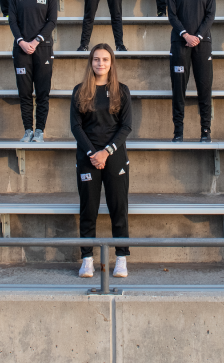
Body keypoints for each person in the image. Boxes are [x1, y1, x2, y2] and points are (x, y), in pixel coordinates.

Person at [70, 44, 133, 279]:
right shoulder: (80, 91)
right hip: (88, 158)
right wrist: (92, 153)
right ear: (91, 62)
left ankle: (121, 258)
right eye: (96, 59)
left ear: (111, 63)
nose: (100, 63)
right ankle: (87, 259)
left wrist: (106, 152)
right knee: (88, 208)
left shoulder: (122, 91)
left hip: (114, 156)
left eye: (105, 59)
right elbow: (76, 127)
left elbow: (126, 126)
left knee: (119, 207)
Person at [167, 0, 215, 142]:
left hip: (202, 45)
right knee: (179, 89)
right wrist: (186, 35)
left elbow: (210, 15)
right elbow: (172, 15)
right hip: (180, 43)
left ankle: (205, 131)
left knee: (204, 88)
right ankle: (178, 132)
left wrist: (198, 37)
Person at [9, 0, 58, 142]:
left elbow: (51, 21)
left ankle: (40, 131)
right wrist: (21, 42)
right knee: (25, 92)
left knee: (43, 92)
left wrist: (36, 41)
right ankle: (28, 129)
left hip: (42, 49)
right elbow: (12, 21)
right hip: (21, 50)